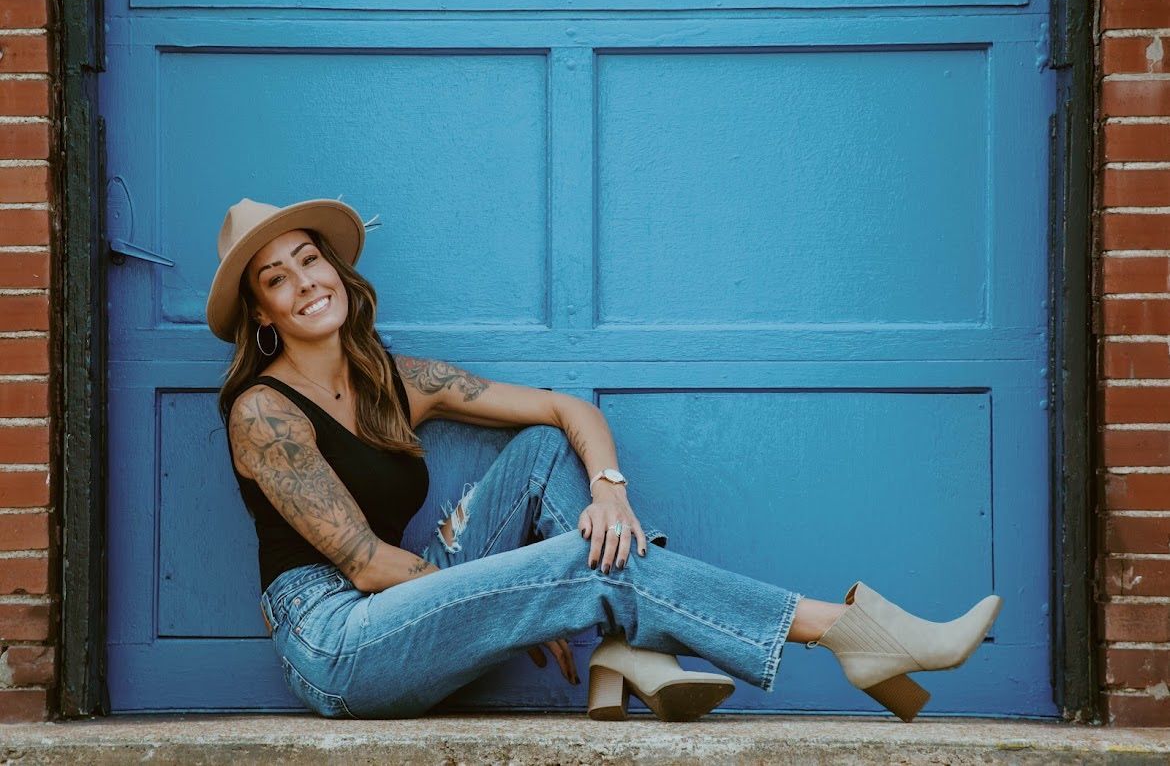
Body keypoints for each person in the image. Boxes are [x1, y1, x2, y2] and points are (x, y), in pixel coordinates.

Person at [208, 197, 1003, 723]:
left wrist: (610, 493)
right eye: (278, 278)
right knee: (578, 566)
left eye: (309, 259)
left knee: (546, 453)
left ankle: (631, 648)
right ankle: (845, 631)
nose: (304, 282)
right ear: (262, 313)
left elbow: (566, 409)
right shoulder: (263, 411)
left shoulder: (394, 381)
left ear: (337, 269)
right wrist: (513, 600)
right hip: (338, 641)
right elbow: (368, 565)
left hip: (402, 604)